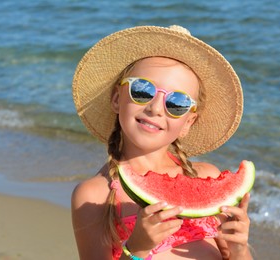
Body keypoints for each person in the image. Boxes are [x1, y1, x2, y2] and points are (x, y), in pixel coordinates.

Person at [71, 25, 252, 260]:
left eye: (177, 103)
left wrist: (239, 250)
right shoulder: (94, 196)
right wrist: (136, 249)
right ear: (117, 98)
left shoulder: (206, 176)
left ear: (189, 121)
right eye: (142, 90)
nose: (155, 108)